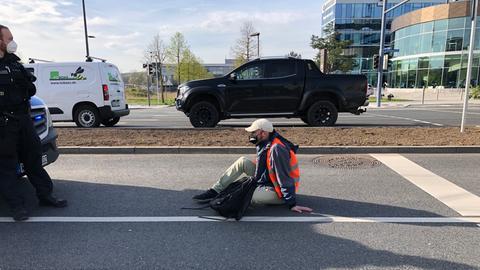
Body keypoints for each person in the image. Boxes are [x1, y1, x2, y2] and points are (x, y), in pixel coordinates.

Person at [0, 25, 67, 222]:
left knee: (33, 159)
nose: (13, 41)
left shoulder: (15, 63)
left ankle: (45, 195)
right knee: (7, 166)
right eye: (9, 38)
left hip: (24, 119)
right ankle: (16, 206)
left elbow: (30, 89)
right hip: (4, 124)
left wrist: (26, 87)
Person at [193, 119, 312, 213]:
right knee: (242, 161)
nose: (251, 135)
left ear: (263, 133)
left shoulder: (277, 149)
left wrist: (292, 203)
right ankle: (215, 191)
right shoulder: (265, 143)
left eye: (254, 132)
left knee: (251, 196)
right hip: (268, 180)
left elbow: (284, 177)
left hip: (278, 190)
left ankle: (276, 197)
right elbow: (263, 168)